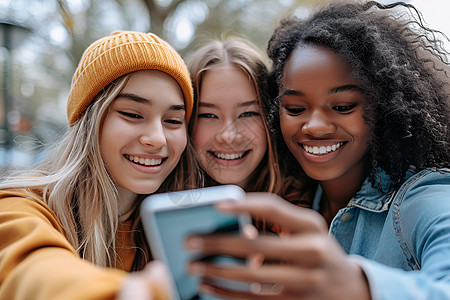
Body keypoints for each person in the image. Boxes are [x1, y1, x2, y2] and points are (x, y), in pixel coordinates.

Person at [184, 1, 450, 299]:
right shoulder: (298, 198)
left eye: (343, 106)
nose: (314, 126)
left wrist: (359, 285)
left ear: (384, 106)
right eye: (296, 108)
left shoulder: (423, 199)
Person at [0, 30, 201, 299]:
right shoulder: (19, 207)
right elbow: (31, 269)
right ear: (89, 121)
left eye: (173, 120)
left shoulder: (187, 223)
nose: (157, 138)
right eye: (132, 114)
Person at [187, 37, 307, 205]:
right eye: (208, 115)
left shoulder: (315, 200)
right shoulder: (154, 210)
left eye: (247, 114)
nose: (229, 136)